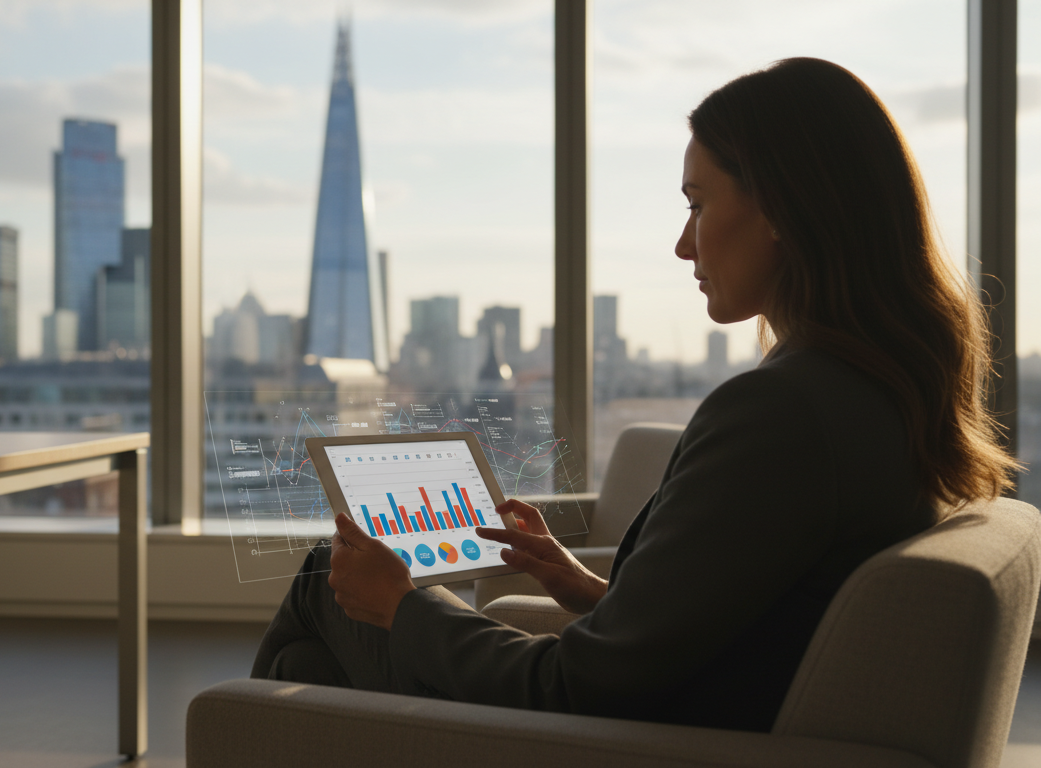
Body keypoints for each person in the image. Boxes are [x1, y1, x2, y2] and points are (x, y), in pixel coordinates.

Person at [250, 57, 1018, 732]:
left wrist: (404, 604)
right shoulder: (883, 393)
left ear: (782, 209)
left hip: (627, 743)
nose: (683, 243)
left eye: (696, 202)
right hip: (689, 718)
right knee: (309, 667)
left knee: (325, 581)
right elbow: (749, 610)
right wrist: (583, 586)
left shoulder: (781, 415)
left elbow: (573, 690)